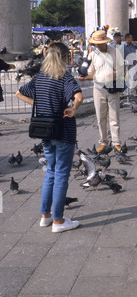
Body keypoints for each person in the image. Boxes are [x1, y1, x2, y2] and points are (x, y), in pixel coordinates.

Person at [15, 43, 83, 233]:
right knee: (61, 174)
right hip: (63, 130)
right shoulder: (64, 78)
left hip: (43, 130)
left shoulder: (40, 78)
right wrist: (73, 109)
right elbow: (79, 96)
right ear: (63, 57)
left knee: (51, 171)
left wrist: (40, 104)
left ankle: (45, 216)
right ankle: (59, 221)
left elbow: (19, 93)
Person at [79, 30, 124, 153]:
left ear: (105, 42)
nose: (97, 46)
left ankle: (116, 142)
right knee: (100, 117)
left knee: (114, 117)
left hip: (113, 87)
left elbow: (122, 70)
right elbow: (91, 73)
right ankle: (103, 141)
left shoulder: (116, 52)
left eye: (99, 44)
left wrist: (113, 74)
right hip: (98, 88)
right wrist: (84, 78)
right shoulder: (92, 55)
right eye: (95, 44)